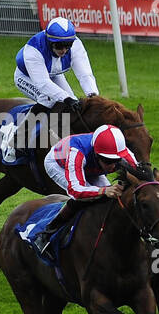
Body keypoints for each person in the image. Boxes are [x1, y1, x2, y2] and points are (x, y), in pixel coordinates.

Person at [31, 123, 141, 253]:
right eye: (107, 161)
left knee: (110, 198)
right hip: (58, 163)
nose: (112, 167)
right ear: (96, 154)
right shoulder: (76, 152)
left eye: (116, 160)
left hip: (91, 168)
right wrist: (103, 190)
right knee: (86, 198)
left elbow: (140, 174)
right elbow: (76, 190)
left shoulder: (122, 152)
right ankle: (47, 233)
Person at [14, 17, 100, 112]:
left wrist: (92, 95)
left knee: (73, 103)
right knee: (49, 99)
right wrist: (66, 98)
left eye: (68, 45)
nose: (64, 50)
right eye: (59, 46)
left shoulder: (76, 45)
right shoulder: (33, 50)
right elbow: (43, 83)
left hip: (54, 75)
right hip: (27, 76)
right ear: (49, 42)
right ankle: (25, 125)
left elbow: (85, 75)